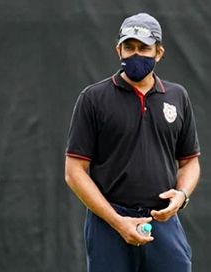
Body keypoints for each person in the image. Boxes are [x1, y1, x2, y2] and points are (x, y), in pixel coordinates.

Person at [65, 13, 200, 272]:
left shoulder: (177, 96)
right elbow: (74, 172)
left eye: (144, 48)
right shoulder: (93, 99)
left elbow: (190, 161)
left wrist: (181, 196)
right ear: (119, 50)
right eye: (129, 47)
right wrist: (116, 221)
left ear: (159, 53)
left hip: (162, 221)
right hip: (108, 224)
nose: (136, 54)